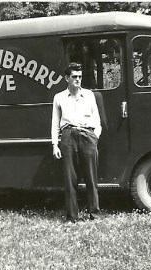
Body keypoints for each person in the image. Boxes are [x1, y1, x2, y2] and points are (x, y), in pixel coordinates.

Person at [51, 62, 103, 223]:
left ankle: (94, 214)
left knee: (91, 178)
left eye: (80, 76)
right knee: (70, 179)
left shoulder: (89, 95)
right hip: (68, 136)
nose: (78, 79)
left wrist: (95, 137)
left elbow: (97, 119)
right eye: (74, 76)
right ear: (67, 78)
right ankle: (72, 217)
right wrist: (55, 144)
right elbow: (55, 122)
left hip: (88, 135)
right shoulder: (59, 97)